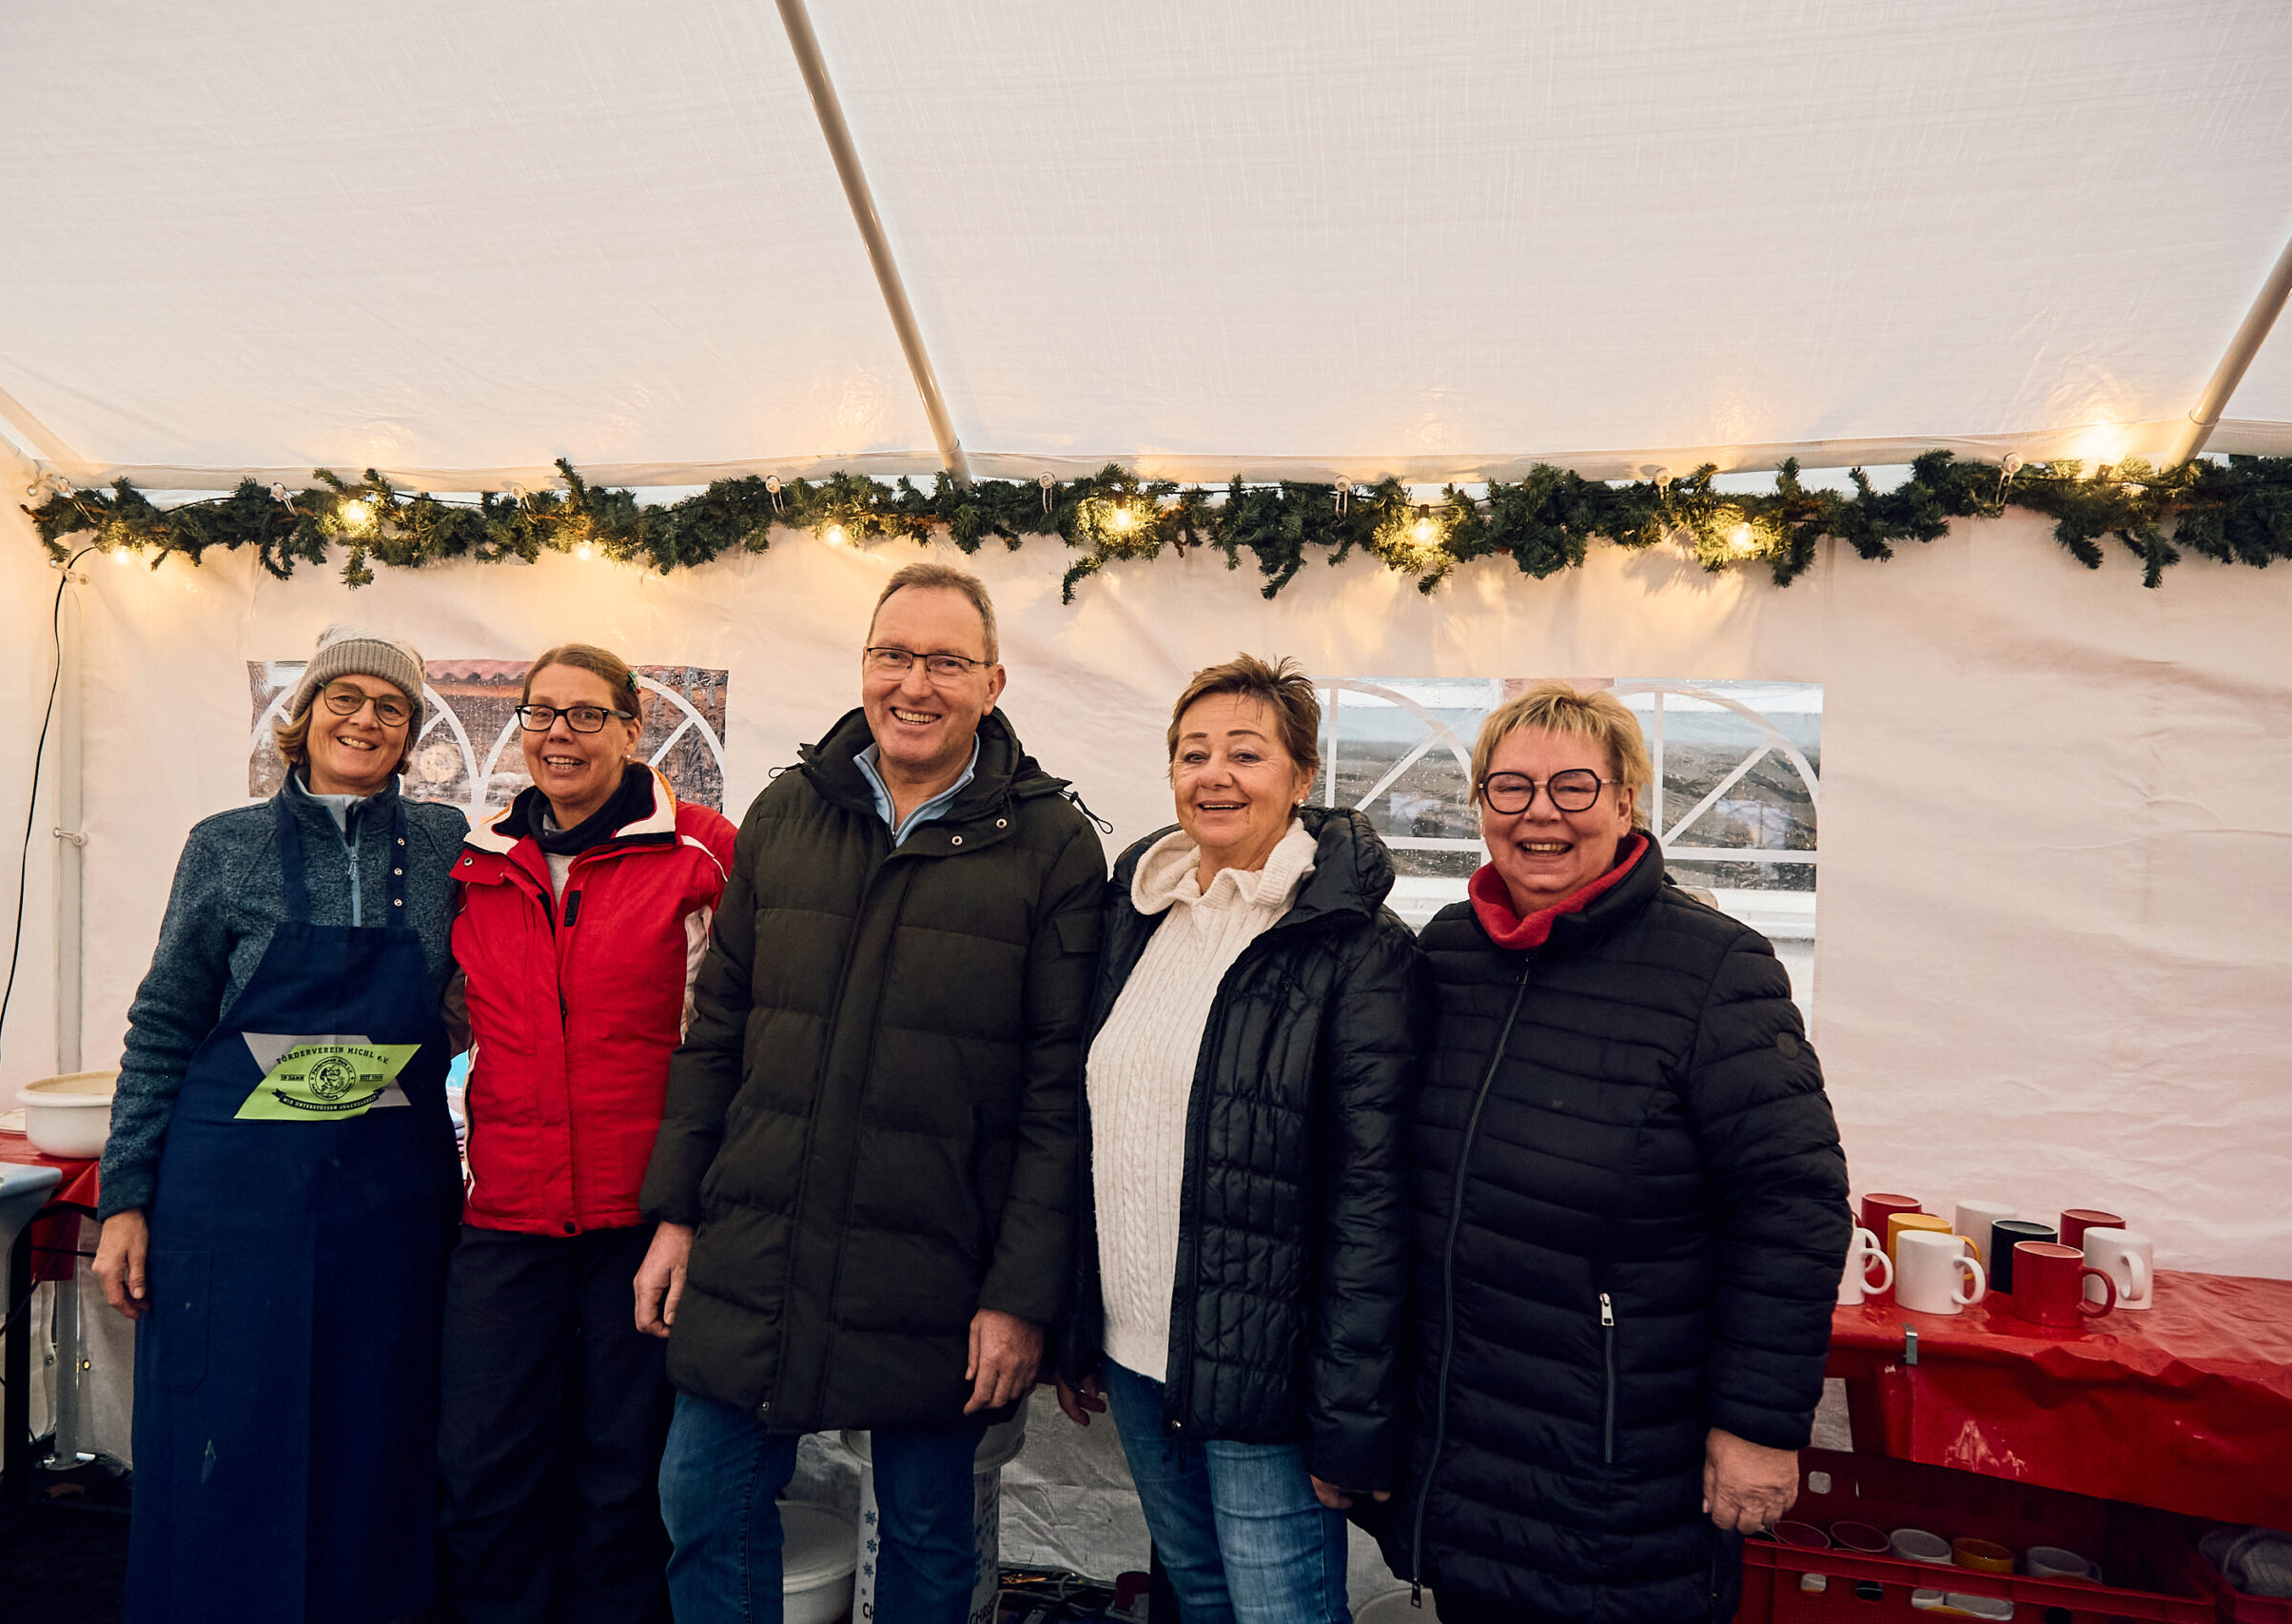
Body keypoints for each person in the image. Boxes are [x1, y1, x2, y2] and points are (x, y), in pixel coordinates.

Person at [635, 561, 1106, 1622]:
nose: (914, 683)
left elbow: (1054, 1093)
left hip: (936, 1260)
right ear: (863, 665)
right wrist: (674, 1216)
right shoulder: (788, 811)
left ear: (993, 680)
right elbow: (719, 1034)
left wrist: (1021, 1296)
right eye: (894, 654)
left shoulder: (1049, 844)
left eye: (945, 660)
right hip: (761, 1238)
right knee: (703, 1502)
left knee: (930, 1542)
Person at [1389, 680, 1850, 1623]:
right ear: (1479, 805)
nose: (1539, 814)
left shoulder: (1713, 966)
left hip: (1621, 1456)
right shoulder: (1449, 954)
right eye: (1509, 788)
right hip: (1470, 1438)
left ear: (1627, 801)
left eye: (1573, 787)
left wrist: (1758, 1427)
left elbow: (1792, 1204)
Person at [92, 624, 468, 1624]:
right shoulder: (225, 845)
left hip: (391, 1207)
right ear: (303, 720)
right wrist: (125, 1198)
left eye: (391, 707)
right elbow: (166, 1021)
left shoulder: (444, 846)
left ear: (412, 732)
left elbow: (477, 998)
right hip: (234, 1210)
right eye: (345, 699)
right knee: (232, 1423)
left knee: (377, 1426)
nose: (367, 720)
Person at [1051, 655, 1422, 1624]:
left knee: (1279, 1611)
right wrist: (1079, 1322)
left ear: (1302, 777)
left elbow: (1372, 1198)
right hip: (1137, 1355)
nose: (1213, 775)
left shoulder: (1358, 950)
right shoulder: (1138, 916)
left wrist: (1351, 1410)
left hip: (1268, 1371)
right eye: (1192, 752)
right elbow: (1104, 1134)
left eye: (1245, 754)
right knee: (1199, 1597)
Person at [437, 645, 737, 1624]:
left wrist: (689, 1210)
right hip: (505, 1219)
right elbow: (448, 1020)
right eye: (540, 715)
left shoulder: (702, 853)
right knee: (484, 1466)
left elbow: (736, 1043)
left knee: (622, 1475)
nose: (557, 735)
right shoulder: (480, 863)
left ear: (631, 728)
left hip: (640, 1224)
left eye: (583, 716)